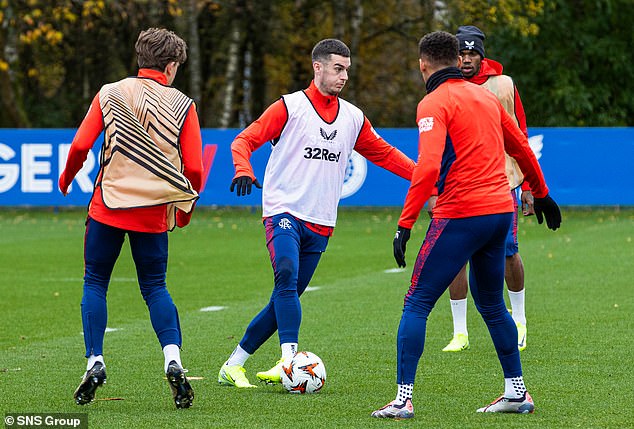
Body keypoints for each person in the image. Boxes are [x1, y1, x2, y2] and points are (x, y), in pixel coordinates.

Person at [371, 31, 561, 419]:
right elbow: (521, 147)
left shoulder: (432, 102)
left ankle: (402, 400)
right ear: (458, 61)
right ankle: (516, 392)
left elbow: (427, 167)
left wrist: (404, 224)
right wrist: (541, 193)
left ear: (423, 64)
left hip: (461, 213)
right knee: (491, 303)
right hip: (498, 214)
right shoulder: (488, 98)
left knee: (417, 302)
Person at [217, 38, 415, 389]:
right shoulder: (289, 107)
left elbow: (384, 153)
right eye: (337, 69)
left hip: (321, 221)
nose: (343, 77)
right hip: (283, 211)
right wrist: (242, 168)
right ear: (317, 67)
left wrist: (424, 176)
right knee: (286, 276)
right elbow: (243, 140)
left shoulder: (353, 117)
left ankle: (233, 364)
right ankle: (289, 360)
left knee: (286, 294)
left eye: (347, 71)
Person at [59, 28, 202, 409]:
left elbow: (79, 145)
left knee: (95, 282)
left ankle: (95, 361)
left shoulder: (110, 92)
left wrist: (67, 177)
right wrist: (183, 205)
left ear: (140, 58)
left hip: (108, 205)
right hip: (153, 213)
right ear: (171, 66)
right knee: (155, 286)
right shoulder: (183, 104)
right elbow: (197, 168)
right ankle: (173, 359)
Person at [438, 25, 533, 353]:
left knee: (507, 252)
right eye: (460, 54)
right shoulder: (446, 86)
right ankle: (460, 332)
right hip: (459, 185)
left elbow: (520, 133)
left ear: (482, 54)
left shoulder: (503, 85)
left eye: (471, 53)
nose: (465, 60)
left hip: (501, 183)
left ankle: (519, 319)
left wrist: (530, 185)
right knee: (455, 256)